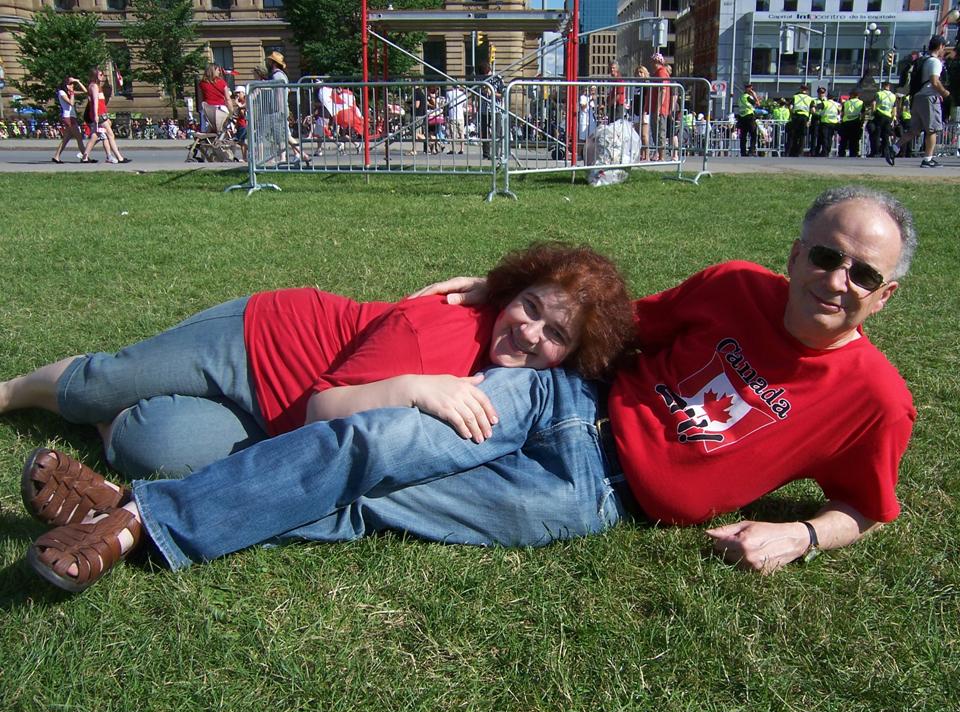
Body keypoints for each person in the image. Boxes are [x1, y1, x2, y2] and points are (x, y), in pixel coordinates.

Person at [21, 187, 918, 593]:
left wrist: (799, 535)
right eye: (825, 255)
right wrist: (498, 288)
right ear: (796, 250)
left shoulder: (877, 398)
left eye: (862, 273)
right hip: (563, 407)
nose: (836, 281)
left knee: (379, 505)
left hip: (589, 497)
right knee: (377, 442)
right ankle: (138, 522)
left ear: (887, 293)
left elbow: (868, 506)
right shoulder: (732, 286)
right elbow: (611, 321)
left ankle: (130, 505)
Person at [4, 243, 633, 482]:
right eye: (527, 306)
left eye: (555, 334)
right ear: (512, 289)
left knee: (154, 449)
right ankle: (16, 392)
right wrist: (414, 387)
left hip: (275, 422)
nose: (528, 332)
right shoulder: (432, 336)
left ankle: (112, 426)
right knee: (97, 386)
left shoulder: (528, 376)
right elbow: (322, 408)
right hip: (259, 343)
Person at [889, 35, 952, 167]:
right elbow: (935, 81)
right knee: (932, 130)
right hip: (929, 98)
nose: (944, 49)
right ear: (940, 46)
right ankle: (927, 160)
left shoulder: (923, 60)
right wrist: (945, 93)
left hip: (917, 98)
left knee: (914, 130)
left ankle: (894, 148)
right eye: (944, 47)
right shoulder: (935, 62)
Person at [80, 67, 129, 164]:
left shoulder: (95, 86)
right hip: (100, 114)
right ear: (95, 76)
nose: (102, 76)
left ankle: (85, 156)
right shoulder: (94, 86)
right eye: (100, 75)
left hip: (101, 113)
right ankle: (119, 157)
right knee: (110, 134)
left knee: (95, 135)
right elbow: (95, 102)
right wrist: (96, 115)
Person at [51, 76, 88, 164]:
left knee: (66, 139)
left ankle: (56, 157)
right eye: (71, 84)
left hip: (72, 117)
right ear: (66, 85)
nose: (72, 86)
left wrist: (78, 82)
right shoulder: (62, 92)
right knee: (79, 137)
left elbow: (85, 92)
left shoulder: (69, 92)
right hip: (68, 117)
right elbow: (71, 103)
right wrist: (71, 93)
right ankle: (85, 157)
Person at [647, 53, 671, 161]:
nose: (651, 64)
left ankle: (661, 156)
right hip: (655, 108)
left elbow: (663, 90)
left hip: (660, 109)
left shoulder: (661, 72)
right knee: (655, 131)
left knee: (660, 131)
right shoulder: (656, 73)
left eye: (653, 62)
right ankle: (658, 153)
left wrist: (658, 108)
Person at [198, 63, 234, 134]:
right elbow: (228, 99)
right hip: (221, 109)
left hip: (207, 109)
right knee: (223, 130)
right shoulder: (222, 82)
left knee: (206, 132)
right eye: (218, 70)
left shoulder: (202, 84)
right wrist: (231, 111)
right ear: (213, 71)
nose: (219, 72)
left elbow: (201, 98)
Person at [870, 81, 897, 159]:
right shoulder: (893, 96)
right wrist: (892, 118)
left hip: (879, 115)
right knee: (886, 135)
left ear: (882, 86)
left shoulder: (878, 93)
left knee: (877, 134)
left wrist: (873, 112)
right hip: (888, 116)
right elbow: (894, 109)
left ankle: (876, 152)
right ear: (889, 86)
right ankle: (885, 152)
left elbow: (873, 104)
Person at [631, 64, 651, 160]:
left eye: (641, 72)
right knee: (637, 135)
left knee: (644, 135)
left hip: (645, 112)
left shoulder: (647, 85)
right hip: (636, 112)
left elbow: (647, 99)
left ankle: (647, 154)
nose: (639, 74)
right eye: (637, 73)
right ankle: (641, 154)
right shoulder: (635, 86)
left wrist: (644, 112)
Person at [787, 83, 813, 156]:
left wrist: (792, 114)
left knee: (794, 134)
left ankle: (793, 151)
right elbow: (813, 110)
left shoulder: (795, 97)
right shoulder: (810, 99)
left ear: (801, 89)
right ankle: (800, 151)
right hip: (804, 117)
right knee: (802, 135)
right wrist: (809, 119)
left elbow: (791, 107)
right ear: (807, 91)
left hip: (796, 117)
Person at [838, 88, 865, 158]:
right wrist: (862, 122)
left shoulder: (846, 103)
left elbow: (842, 113)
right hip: (855, 122)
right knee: (854, 140)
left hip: (846, 122)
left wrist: (842, 120)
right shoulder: (861, 103)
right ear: (858, 95)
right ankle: (854, 153)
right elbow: (863, 114)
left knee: (844, 139)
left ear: (852, 95)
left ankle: (841, 153)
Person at [735, 83, 760, 157]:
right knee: (753, 135)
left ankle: (743, 152)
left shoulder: (740, 97)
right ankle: (751, 151)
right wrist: (754, 95)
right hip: (749, 117)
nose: (752, 90)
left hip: (742, 118)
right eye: (751, 89)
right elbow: (758, 104)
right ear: (749, 89)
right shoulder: (748, 97)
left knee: (743, 136)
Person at [444, 83, 468, 154]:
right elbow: (464, 105)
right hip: (460, 116)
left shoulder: (449, 93)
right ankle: (462, 149)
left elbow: (447, 103)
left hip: (452, 115)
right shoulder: (463, 94)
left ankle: (453, 149)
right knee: (461, 133)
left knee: (453, 133)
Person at [817, 91, 841, 157]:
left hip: (825, 122)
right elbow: (839, 112)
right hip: (834, 123)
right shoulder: (837, 104)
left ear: (828, 96)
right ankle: (828, 151)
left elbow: (817, 107)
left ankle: (824, 152)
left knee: (825, 138)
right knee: (830, 138)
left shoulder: (825, 103)